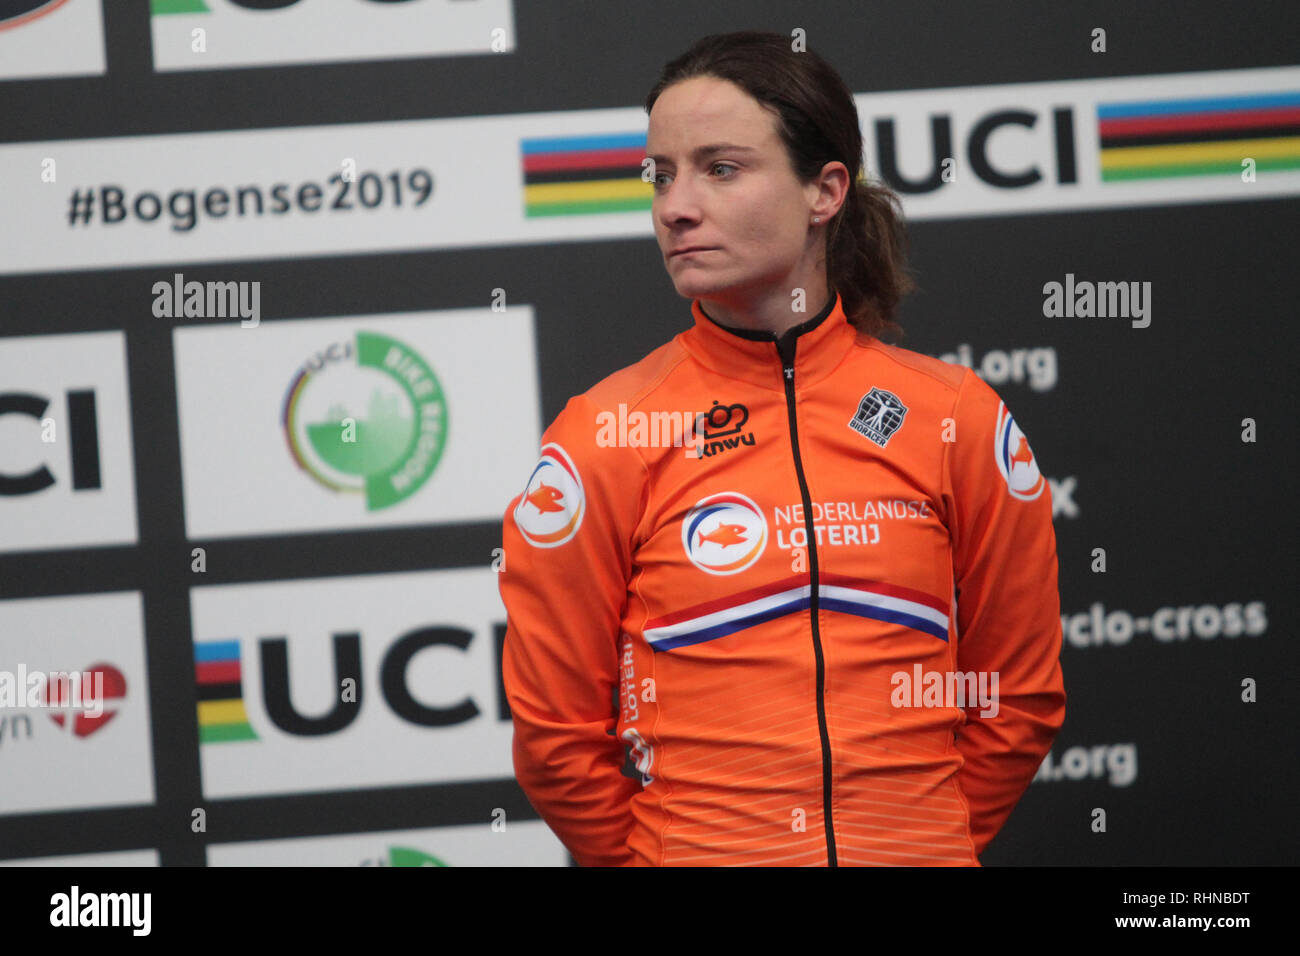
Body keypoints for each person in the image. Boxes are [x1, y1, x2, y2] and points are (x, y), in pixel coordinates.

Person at [498, 30, 1065, 866]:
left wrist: (913, 845)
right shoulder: (605, 433)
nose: (675, 205)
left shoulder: (956, 417)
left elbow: (1017, 699)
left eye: (720, 168)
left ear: (826, 189)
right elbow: (554, 740)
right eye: (660, 174)